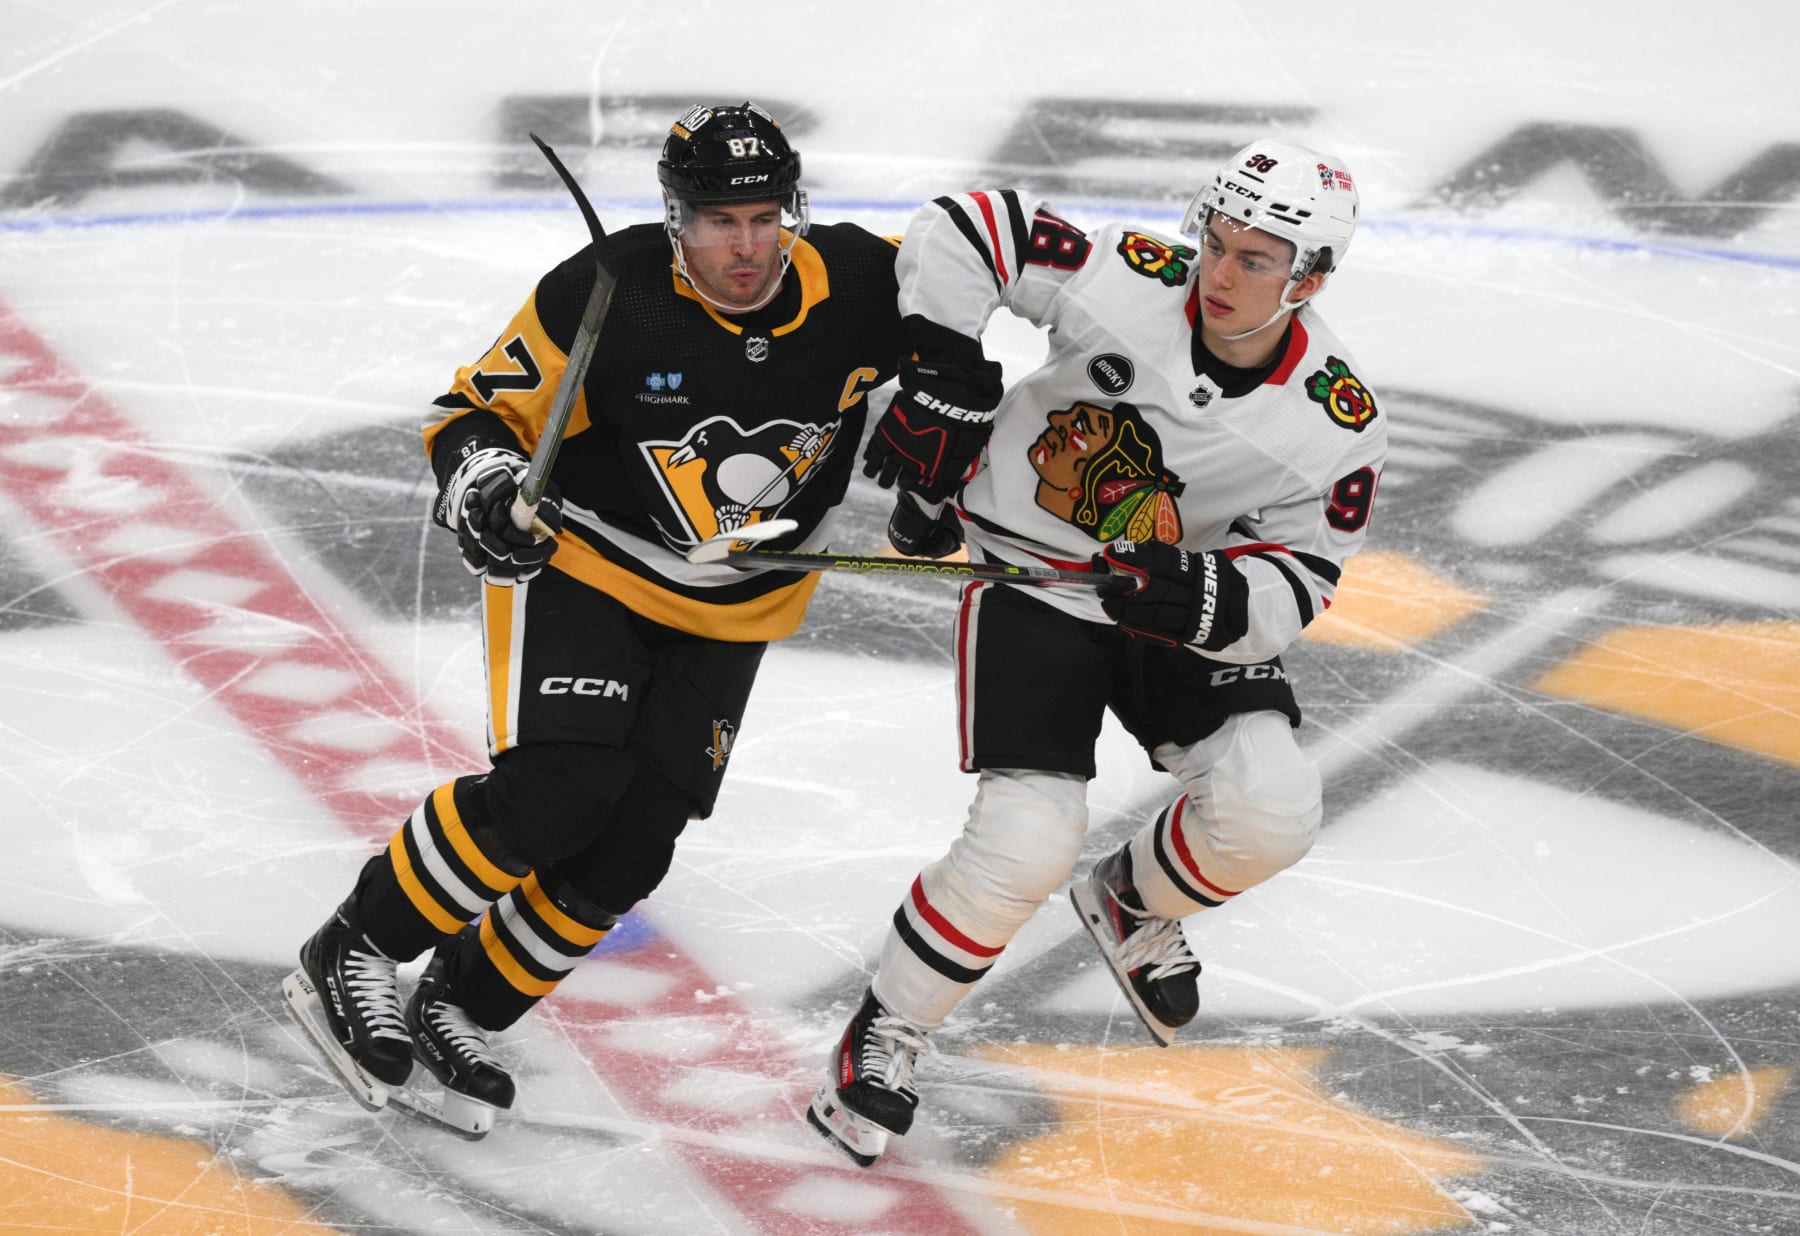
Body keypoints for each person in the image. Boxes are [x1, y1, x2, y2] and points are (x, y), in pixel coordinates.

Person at [281, 101, 911, 1135]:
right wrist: (485, 484)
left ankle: (463, 1004)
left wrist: (955, 397)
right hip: (590, 564)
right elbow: (470, 415)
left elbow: (984, 270)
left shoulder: (861, 282)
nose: (745, 247)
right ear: (675, 218)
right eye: (719, 222)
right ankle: (356, 947)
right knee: (559, 793)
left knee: (632, 845)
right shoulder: (611, 293)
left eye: (763, 217)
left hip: (737, 602)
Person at [808, 140, 1387, 1165]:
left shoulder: (1333, 425)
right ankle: (885, 1031)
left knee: (1271, 811)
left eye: (1256, 260)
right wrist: (944, 368)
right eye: (1215, 241)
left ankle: (1130, 900)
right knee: (1027, 839)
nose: (1217, 273)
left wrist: (1201, 592)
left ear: (1313, 279)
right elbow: (967, 226)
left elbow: (1300, 582)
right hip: (1035, 577)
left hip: (1178, 601)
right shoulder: (1131, 277)